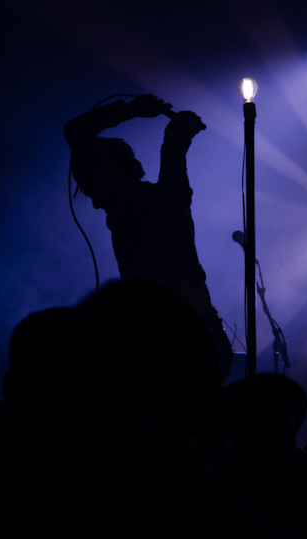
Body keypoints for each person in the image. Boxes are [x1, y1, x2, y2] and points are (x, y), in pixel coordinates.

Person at [64, 94, 233, 379]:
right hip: (203, 330)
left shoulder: (127, 203)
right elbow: (174, 155)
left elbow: (75, 131)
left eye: (89, 188)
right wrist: (176, 136)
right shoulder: (166, 200)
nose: (93, 202)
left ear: (102, 176)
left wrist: (133, 110)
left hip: (163, 337)